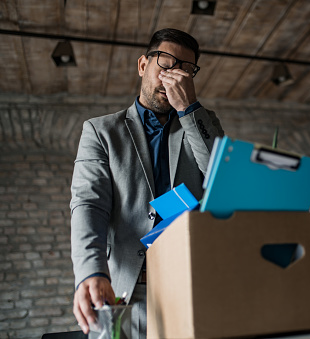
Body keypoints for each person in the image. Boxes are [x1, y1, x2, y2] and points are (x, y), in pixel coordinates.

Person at [70, 28, 224, 338]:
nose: (173, 75)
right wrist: (92, 271)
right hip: (126, 291)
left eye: (184, 69)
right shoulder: (101, 131)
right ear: (143, 65)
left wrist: (189, 110)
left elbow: (220, 180)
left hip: (191, 286)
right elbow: (89, 204)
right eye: (165, 63)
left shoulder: (204, 123)